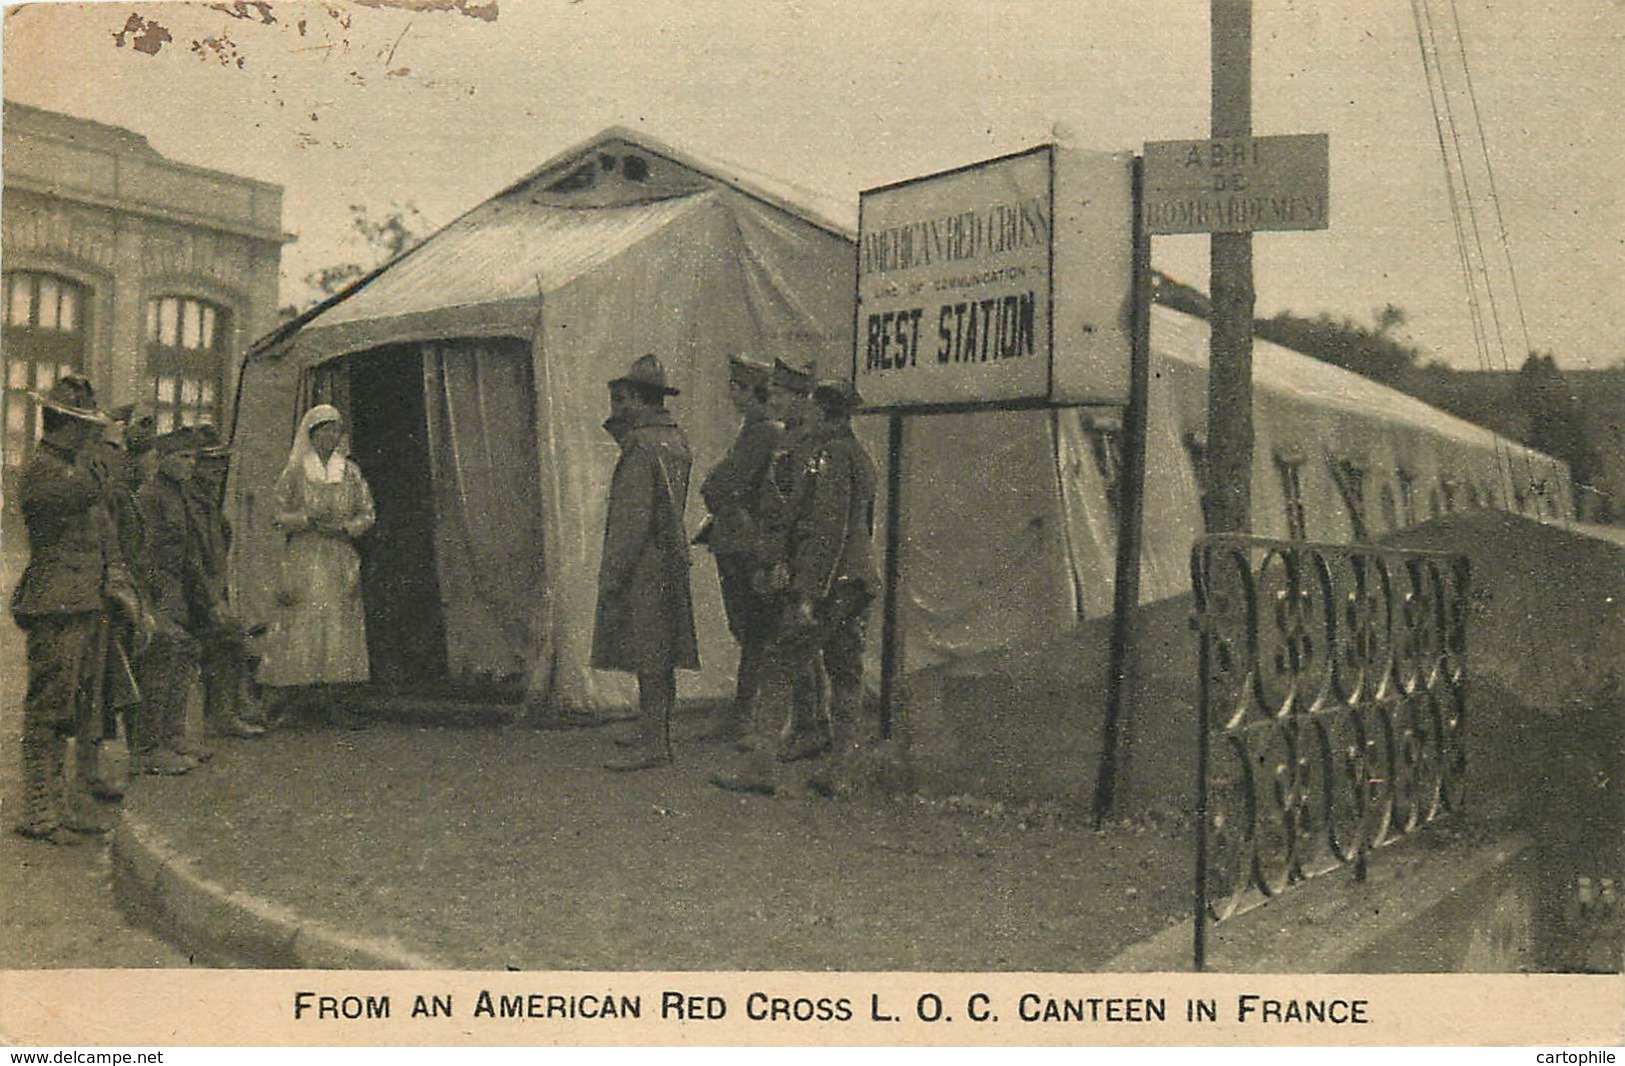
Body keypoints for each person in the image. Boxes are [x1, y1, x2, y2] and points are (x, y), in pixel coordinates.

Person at [10, 376, 146, 842]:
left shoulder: (73, 465)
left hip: (83, 598)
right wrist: (107, 446)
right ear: (67, 425)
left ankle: (60, 803)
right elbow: (94, 489)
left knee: (72, 706)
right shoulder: (46, 471)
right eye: (87, 425)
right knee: (48, 708)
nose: (93, 434)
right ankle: (38, 812)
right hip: (56, 601)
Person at [590, 354, 699, 772]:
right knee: (659, 651)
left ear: (639, 398)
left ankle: (655, 743)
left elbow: (632, 521)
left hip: (643, 564)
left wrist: (612, 575)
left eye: (623, 399)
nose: (617, 408)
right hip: (668, 557)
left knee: (650, 653)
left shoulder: (642, 446)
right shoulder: (675, 439)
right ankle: (653, 731)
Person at [257, 404, 376, 728]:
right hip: (305, 555)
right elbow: (277, 513)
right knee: (301, 625)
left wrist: (347, 528)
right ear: (310, 435)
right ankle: (294, 702)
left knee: (339, 627)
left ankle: (338, 702)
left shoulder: (350, 473)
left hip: (338, 555)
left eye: (335, 431)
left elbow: (367, 512)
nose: (330, 437)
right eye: (323, 431)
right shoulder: (295, 472)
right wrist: (305, 520)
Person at [694, 354, 782, 744]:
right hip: (739, 538)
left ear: (751, 391)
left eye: (736, 386)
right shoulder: (755, 429)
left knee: (755, 628)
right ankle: (749, 711)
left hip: (747, 541)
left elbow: (722, 483)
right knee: (752, 628)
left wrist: (716, 486)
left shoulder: (763, 430)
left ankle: (749, 713)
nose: (730, 393)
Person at [134, 426, 214, 772]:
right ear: (163, 459)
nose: (190, 464)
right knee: (161, 653)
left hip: (178, 589)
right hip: (154, 590)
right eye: (183, 457)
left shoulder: (181, 496)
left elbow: (191, 553)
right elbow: (141, 554)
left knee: (185, 652)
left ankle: (172, 735)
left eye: (193, 458)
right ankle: (146, 748)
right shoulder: (149, 496)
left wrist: (207, 599)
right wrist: (153, 601)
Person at [190, 423, 266, 739]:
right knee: (226, 636)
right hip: (188, 594)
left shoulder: (209, 502)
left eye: (220, 463)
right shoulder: (192, 502)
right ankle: (223, 713)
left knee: (234, 633)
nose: (216, 471)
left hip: (206, 590)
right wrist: (212, 601)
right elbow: (190, 559)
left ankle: (232, 707)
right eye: (208, 464)